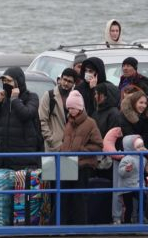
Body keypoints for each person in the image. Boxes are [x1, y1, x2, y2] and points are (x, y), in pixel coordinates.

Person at [59, 90, 103, 225]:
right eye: (69, 108)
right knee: (64, 196)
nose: (70, 111)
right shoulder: (69, 123)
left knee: (79, 197)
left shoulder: (91, 123)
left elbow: (98, 145)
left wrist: (80, 150)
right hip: (68, 164)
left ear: (79, 108)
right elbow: (64, 142)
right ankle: (62, 224)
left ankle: (80, 225)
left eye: (72, 108)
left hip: (83, 166)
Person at [0, 67, 40, 169]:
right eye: (3, 81)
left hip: (23, 159)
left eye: (9, 81)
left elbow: (26, 114)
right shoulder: (4, 100)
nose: (5, 83)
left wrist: (15, 99)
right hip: (3, 158)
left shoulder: (31, 97)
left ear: (18, 82)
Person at [39, 68, 76, 152]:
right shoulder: (49, 95)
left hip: (71, 147)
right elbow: (42, 120)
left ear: (74, 84)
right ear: (60, 79)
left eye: (69, 81)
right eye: (64, 80)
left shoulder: (76, 98)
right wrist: (51, 140)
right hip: (53, 148)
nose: (66, 83)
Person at [117, 135, 148, 223]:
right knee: (128, 206)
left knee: (143, 199)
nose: (141, 148)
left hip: (138, 185)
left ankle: (141, 216)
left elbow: (143, 171)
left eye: (142, 146)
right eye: (138, 147)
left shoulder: (143, 158)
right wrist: (126, 169)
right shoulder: (126, 158)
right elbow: (120, 172)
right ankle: (127, 222)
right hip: (127, 187)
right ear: (130, 148)